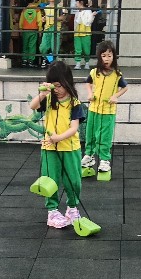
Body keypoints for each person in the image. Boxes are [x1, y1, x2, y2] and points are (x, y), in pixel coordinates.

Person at [31, 60, 86, 228]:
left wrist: (59, 138)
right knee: (50, 180)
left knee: (74, 181)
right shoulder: (49, 99)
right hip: (49, 148)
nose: (57, 90)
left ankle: (72, 208)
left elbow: (74, 128)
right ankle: (52, 212)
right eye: (53, 86)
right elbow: (33, 106)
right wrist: (42, 94)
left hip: (70, 148)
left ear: (68, 83)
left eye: (60, 86)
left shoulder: (74, 103)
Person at [82, 40, 128, 179]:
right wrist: (90, 93)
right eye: (103, 56)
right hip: (94, 109)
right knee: (90, 134)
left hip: (108, 111)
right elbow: (88, 83)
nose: (106, 59)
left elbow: (125, 87)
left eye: (109, 55)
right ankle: (89, 155)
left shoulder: (117, 75)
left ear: (113, 56)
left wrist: (115, 96)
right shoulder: (94, 72)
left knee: (105, 136)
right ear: (99, 57)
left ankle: (104, 160)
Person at [17, 0, 43, 68]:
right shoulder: (37, 10)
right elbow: (39, 21)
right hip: (34, 30)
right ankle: (31, 60)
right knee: (32, 46)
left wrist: (20, 29)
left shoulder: (24, 10)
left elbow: (21, 21)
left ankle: (24, 59)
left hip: (25, 30)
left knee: (25, 45)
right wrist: (40, 29)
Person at [38, 0, 62, 69]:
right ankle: (48, 59)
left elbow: (63, 18)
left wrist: (57, 18)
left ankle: (52, 62)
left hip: (55, 29)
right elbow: (43, 18)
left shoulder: (59, 7)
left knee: (54, 47)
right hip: (47, 29)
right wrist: (43, 19)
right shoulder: (45, 8)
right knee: (43, 47)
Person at [72, 0, 95, 69]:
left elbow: (88, 22)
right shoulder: (77, 12)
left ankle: (87, 62)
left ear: (81, 2)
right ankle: (78, 63)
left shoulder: (88, 11)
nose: (76, 4)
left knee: (86, 49)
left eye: (77, 2)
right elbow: (75, 23)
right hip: (77, 33)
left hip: (86, 33)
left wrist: (92, 16)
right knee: (77, 49)